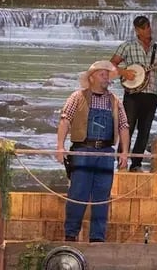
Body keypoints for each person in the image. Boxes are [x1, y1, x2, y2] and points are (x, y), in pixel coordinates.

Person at [56, 60, 130, 243]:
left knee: (102, 197)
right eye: (102, 74)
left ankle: (97, 238)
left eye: (107, 75)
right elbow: (65, 121)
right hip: (83, 151)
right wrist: (60, 146)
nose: (106, 78)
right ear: (91, 78)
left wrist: (124, 152)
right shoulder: (77, 97)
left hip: (106, 153)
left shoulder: (115, 101)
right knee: (77, 193)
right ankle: (71, 235)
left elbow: (123, 126)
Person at [111, 15, 157, 172]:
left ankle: (136, 164)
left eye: (148, 26)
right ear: (137, 30)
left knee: (144, 131)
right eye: (143, 28)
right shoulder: (127, 46)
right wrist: (125, 72)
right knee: (127, 128)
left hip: (151, 95)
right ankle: (122, 162)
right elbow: (111, 64)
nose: (147, 30)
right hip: (132, 95)